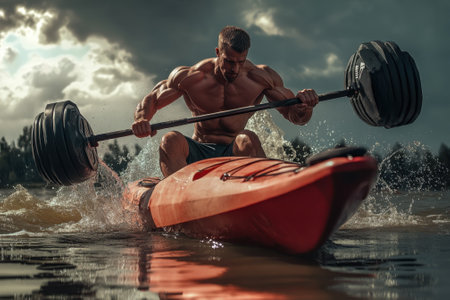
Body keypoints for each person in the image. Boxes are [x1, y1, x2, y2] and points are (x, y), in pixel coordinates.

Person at [132, 26, 319, 177]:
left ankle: (264, 189)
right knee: (170, 140)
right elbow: (153, 99)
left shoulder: (260, 78)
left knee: (248, 137)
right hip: (197, 153)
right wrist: (142, 119)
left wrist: (306, 105)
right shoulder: (191, 76)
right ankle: (180, 196)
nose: (235, 69)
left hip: (235, 153)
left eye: (241, 61)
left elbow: (297, 117)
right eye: (229, 61)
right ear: (218, 52)